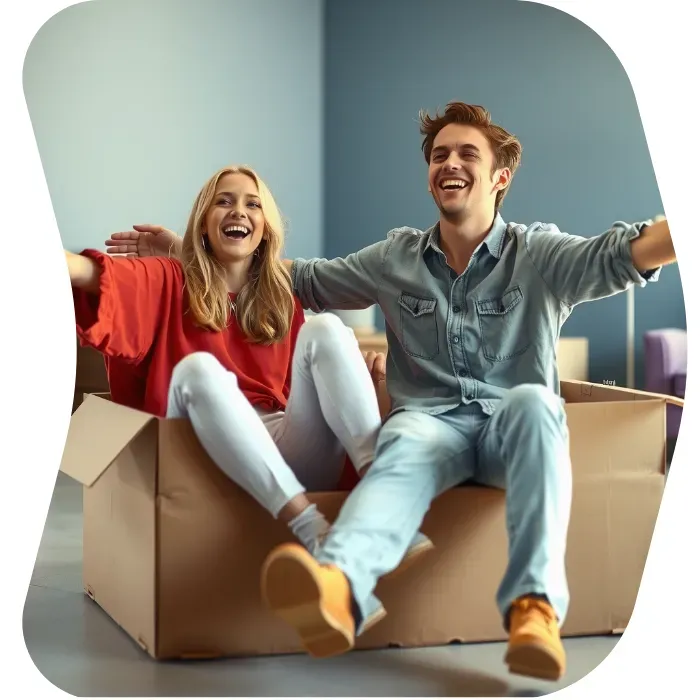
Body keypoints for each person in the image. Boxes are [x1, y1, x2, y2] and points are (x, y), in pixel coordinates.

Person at [104, 103, 677, 681]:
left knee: (535, 403)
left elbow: (623, 254)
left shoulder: (540, 254)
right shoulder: (395, 259)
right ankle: (337, 584)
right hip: (429, 427)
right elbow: (287, 276)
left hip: (514, 424)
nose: (449, 163)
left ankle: (534, 609)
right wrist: (186, 253)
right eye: (438, 155)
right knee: (399, 441)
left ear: (500, 178)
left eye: (466, 154)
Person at [68, 164, 432, 638]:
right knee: (198, 368)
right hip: (199, 450)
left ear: (264, 230)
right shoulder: (166, 279)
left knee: (329, 328)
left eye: (252, 204)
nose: (238, 210)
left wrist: (368, 379)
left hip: (283, 444)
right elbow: (95, 275)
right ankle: (314, 533)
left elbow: (310, 373)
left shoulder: (281, 297)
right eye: (223, 201)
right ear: (203, 220)